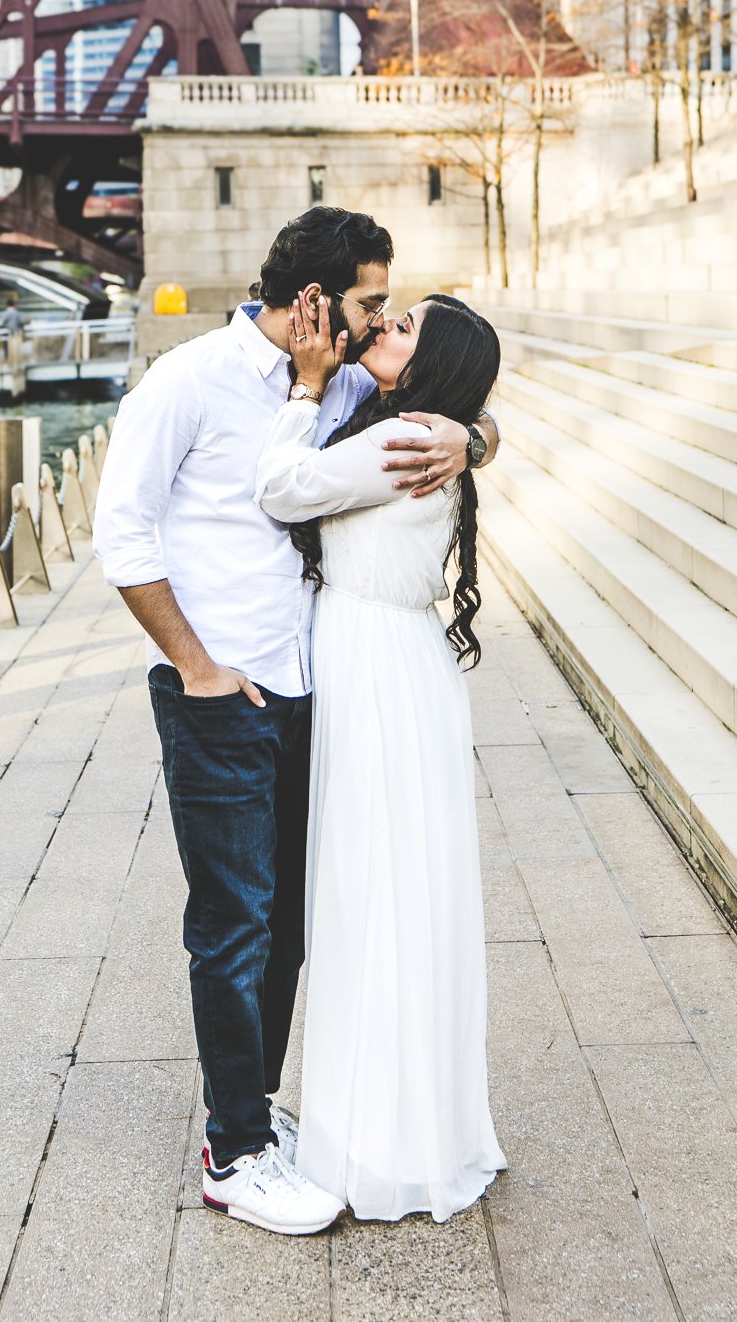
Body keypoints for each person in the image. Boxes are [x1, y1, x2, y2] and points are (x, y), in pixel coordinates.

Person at [92, 207, 497, 1237]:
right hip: (223, 691)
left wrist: (474, 433)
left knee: (292, 932)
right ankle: (233, 1154)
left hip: (318, 689)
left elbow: (452, 392)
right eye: (368, 303)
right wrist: (195, 667)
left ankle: (252, 1111)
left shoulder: (352, 381)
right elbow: (122, 533)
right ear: (314, 301)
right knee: (234, 925)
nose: (374, 325)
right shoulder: (189, 382)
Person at [254, 291, 507, 1223]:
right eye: (388, 314)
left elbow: (279, 490)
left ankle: (367, 1142)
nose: (382, 328)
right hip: (404, 664)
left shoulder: (402, 437)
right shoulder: (430, 426)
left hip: (373, 663)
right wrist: (479, 433)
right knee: (404, 891)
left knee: (370, 889)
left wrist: (300, 393)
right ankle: (411, 1122)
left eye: (403, 328)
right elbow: (478, 420)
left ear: (429, 362)